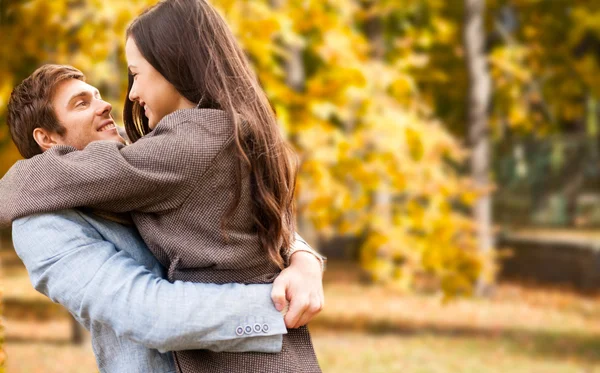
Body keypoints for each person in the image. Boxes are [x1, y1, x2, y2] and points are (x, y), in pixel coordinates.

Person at [0, 0, 324, 371]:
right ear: (47, 139)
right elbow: (148, 313)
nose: (112, 103)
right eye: (81, 103)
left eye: (134, 75)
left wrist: (303, 260)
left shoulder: (166, 151)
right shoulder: (41, 223)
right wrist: (277, 305)